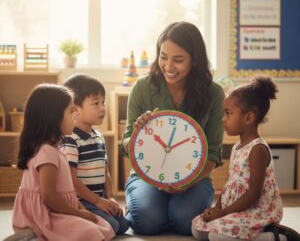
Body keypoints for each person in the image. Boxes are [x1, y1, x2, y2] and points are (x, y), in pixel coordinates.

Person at [121, 21, 225, 235]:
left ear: (195, 60)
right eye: (163, 56)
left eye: (178, 60)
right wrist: (138, 133)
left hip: (194, 177)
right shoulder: (142, 88)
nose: (168, 66)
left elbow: (213, 153)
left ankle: (167, 213)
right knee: (146, 222)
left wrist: (189, 182)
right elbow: (125, 145)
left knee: (185, 222)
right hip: (147, 176)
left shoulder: (214, 93)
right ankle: (154, 210)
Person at [12, 84, 114, 241]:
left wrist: (83, 211)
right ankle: (33, 233)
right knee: (92, 233)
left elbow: (68, 192)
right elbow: (49, 197)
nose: (75, 116)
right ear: (54, 117)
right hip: (46, 217)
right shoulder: (46, 152)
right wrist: (79, 214)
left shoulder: (56, 148)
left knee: (103, 226)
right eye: (71, 111)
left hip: (59, 211)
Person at [192, 76, 286, 241]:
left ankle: (273, 237)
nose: (223, 119)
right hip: (235, 209)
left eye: (228, 114)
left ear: (248, 118)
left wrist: (222, 214)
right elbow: (230, 183)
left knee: (216, 236)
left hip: (256, 211)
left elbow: (253, 194)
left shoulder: (258, 150)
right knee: (197, 229)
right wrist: (217, 208)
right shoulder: (237, 147)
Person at [61, 74, 129, 235]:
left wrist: (110, 198)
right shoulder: (71, 139)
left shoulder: (99, 137)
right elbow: (71, 179)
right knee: (112, 226)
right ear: (75, 109)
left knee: (124, 224)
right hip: (81, 202)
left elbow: (105, 172)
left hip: (98, 199)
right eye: (96, 103)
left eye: (103, 102)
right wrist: (98, 201)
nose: (103, 108)